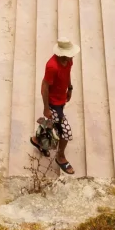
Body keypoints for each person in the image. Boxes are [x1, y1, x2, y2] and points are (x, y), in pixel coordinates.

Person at [38, 37, 77, 175]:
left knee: (54, 123)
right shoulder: (52, 66)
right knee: (65, 132)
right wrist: (46, 108)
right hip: (53, 103)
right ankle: (60, 157)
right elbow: (45, 86)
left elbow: (67, 74)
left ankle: (37, 139)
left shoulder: (68, 60)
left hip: (61, 99)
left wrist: (70, 88)